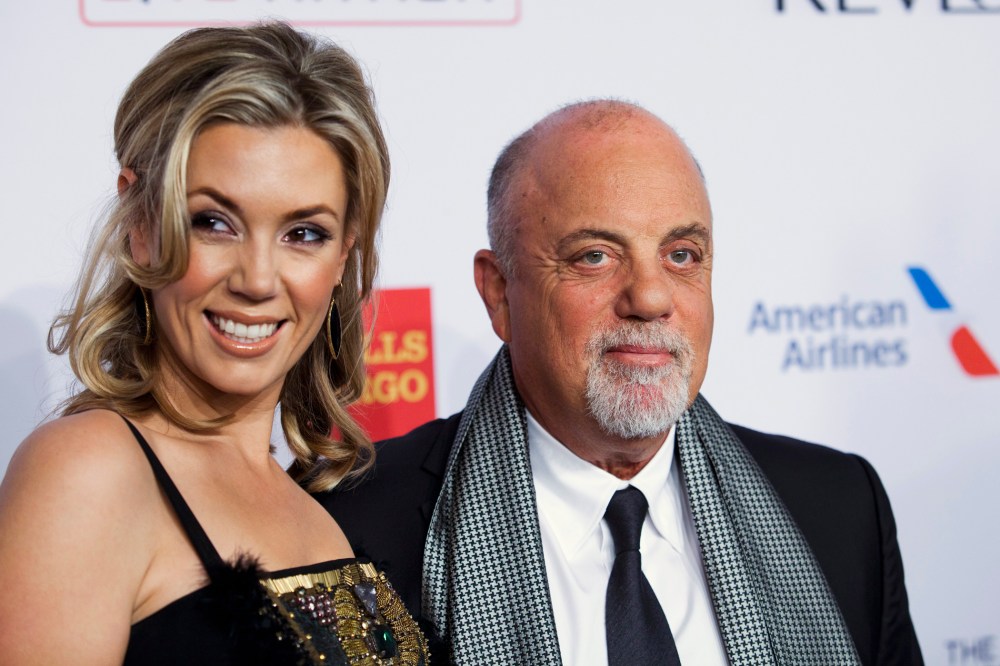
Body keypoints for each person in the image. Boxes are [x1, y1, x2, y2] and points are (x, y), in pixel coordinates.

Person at [320, 100, 923, 665]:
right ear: (499, 292)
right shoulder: (349, 536)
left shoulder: (840, 509)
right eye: (595, 256)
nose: (652, 297)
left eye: (682, 255)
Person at [0, 23, 428, 665]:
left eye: (304, 233)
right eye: (214, 223)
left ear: (346, 254)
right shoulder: (88, 472)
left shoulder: (319, 505)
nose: (257, 280)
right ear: (140, 223)